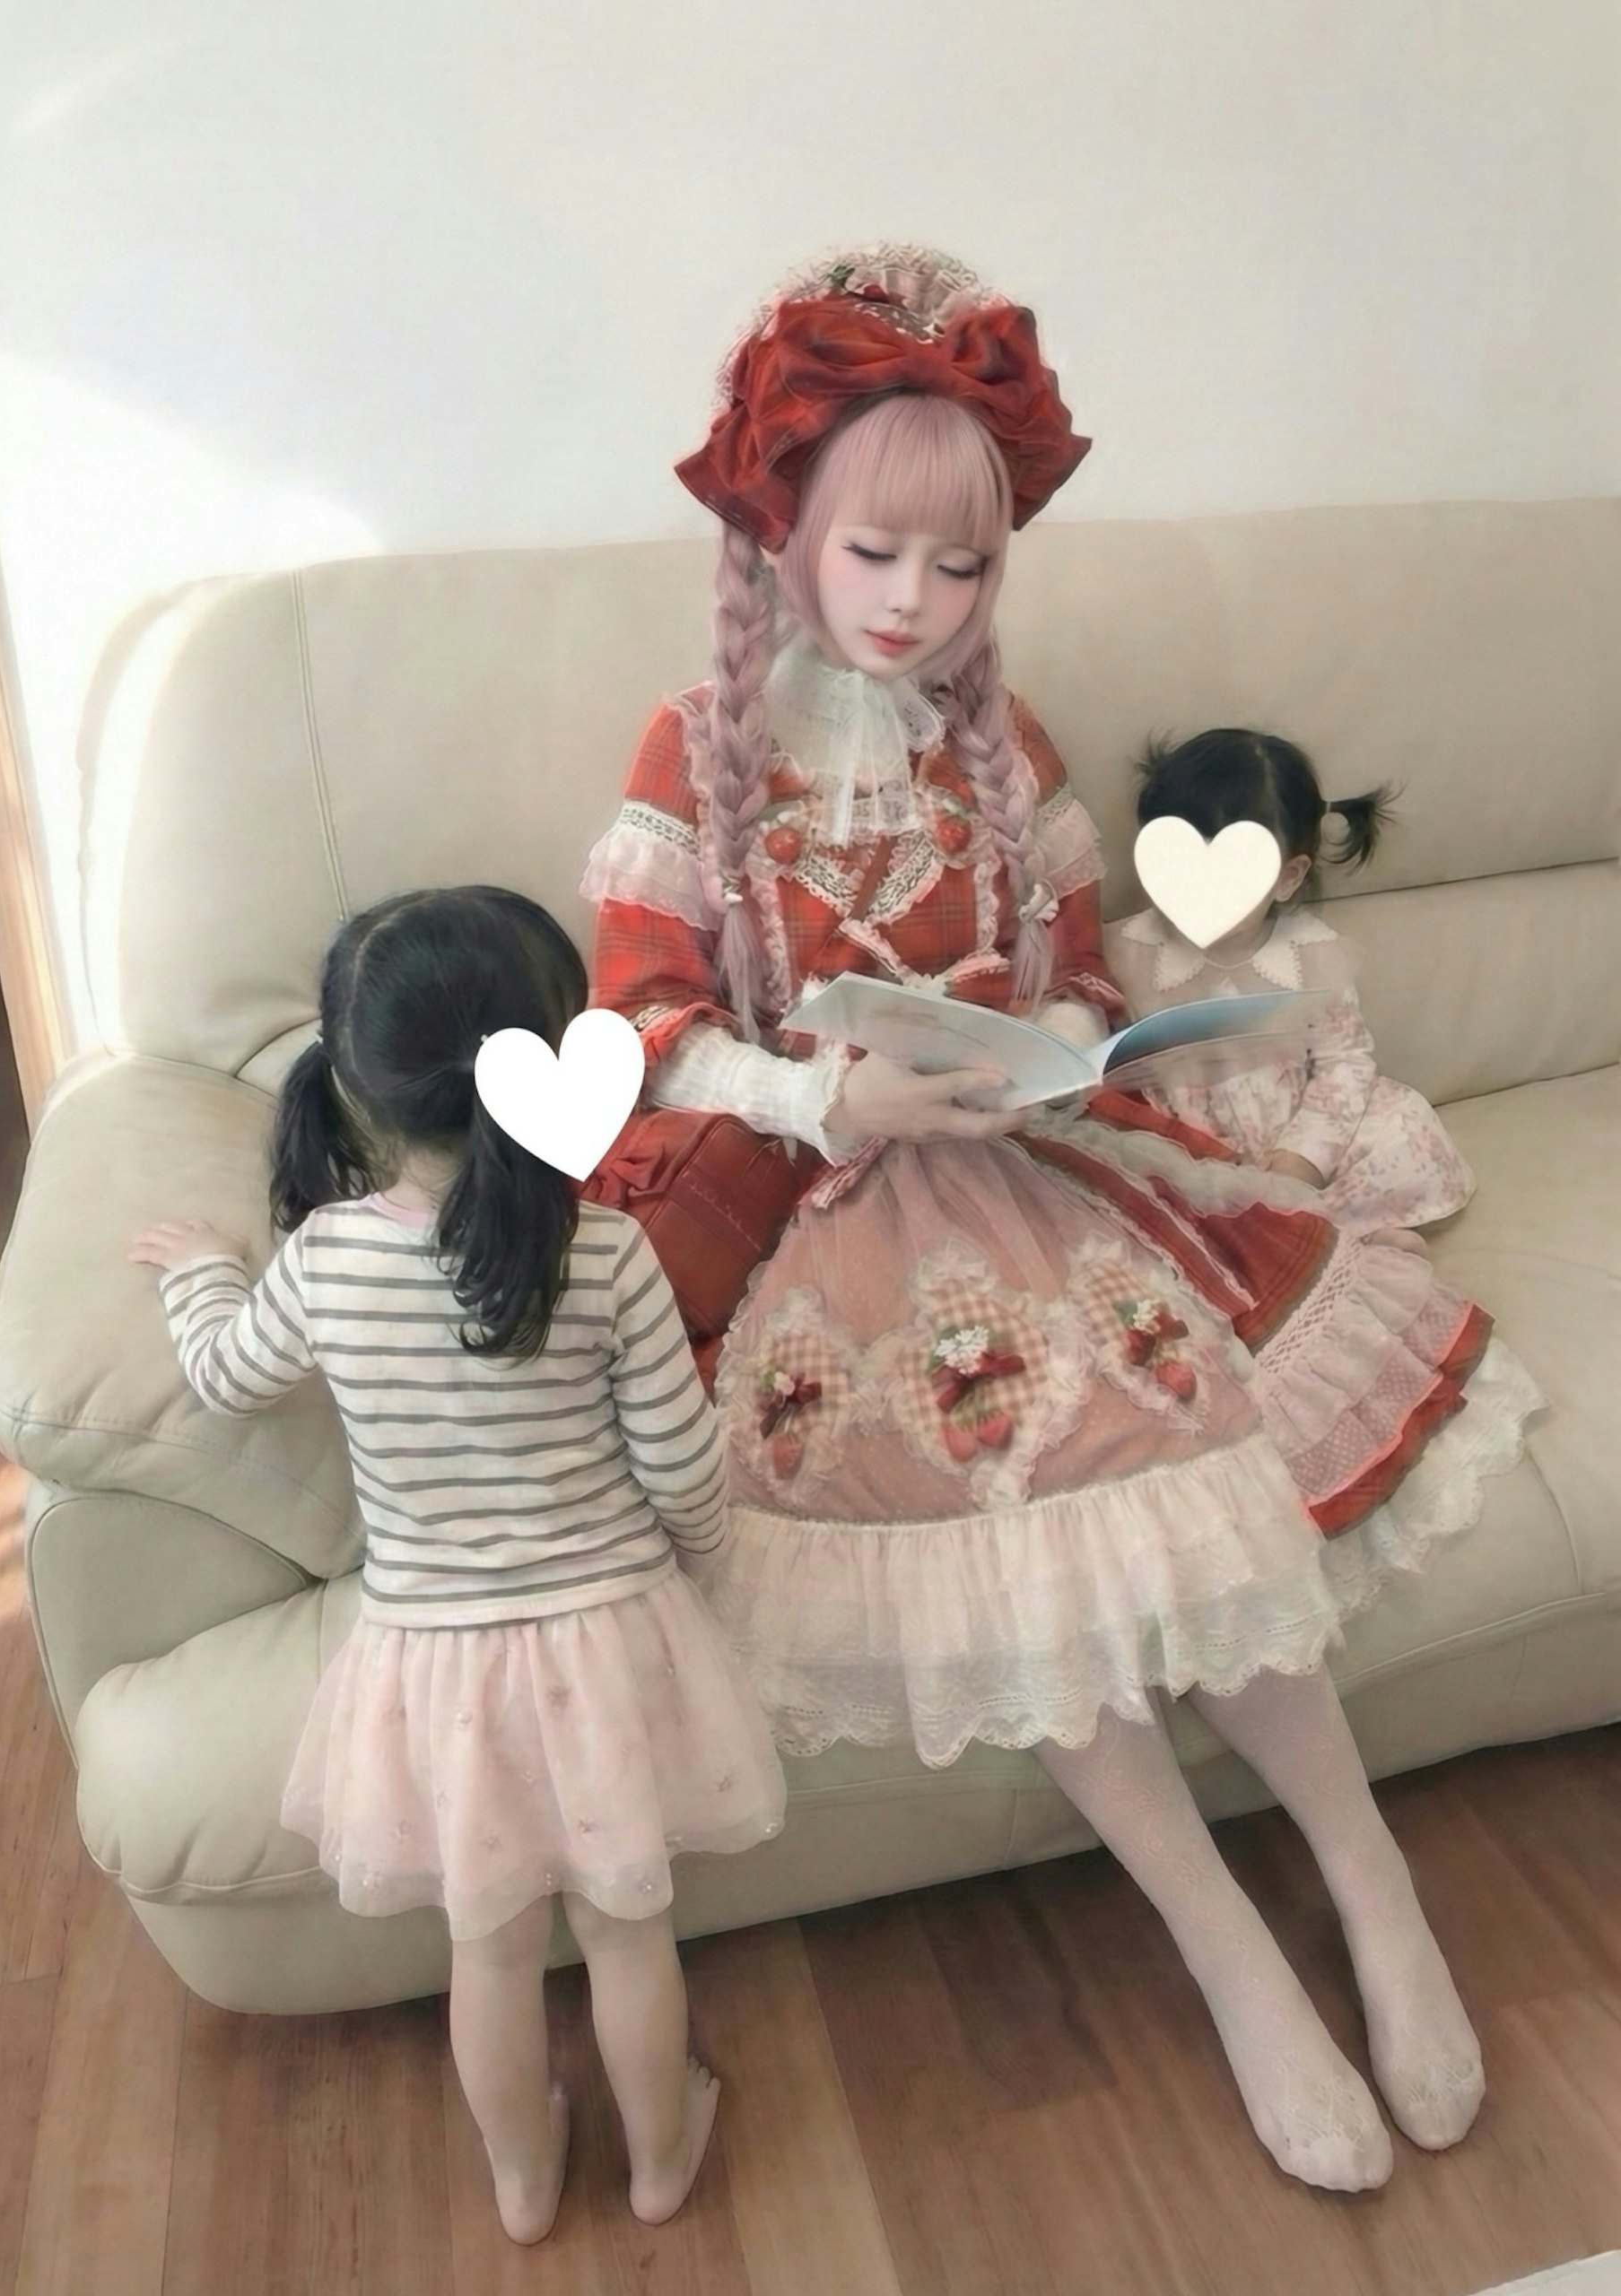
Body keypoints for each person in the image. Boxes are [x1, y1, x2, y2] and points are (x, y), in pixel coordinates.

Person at [583, 246, 1542, 2193]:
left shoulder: (1004, 745)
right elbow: (638, 1029)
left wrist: (1052, 1050)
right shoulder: (692, 752)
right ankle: (1229, 1948)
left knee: (1179, 1443)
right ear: (782, 529)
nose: (915, 604)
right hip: (837, 1209)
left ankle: (1371, 1883)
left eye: (962, 567)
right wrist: (824, 1093)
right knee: (1017, 1495)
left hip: (1041, 1165)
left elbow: (1087, 977)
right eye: (876, 554)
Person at [131, 885, 785, 2242]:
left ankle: (524, 2181)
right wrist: (710, 1567)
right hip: (612, 1636)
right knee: (627, 1931)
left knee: (487, 1952)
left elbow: (224, 1375)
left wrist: (198, 1274)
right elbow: (683, 1469)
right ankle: (662, 2161)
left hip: (437, 1664)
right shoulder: (606, 1253)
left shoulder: (327, 1260)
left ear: (354, 1078)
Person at [1107, 726, 1475, 1244]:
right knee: (1139, 1188)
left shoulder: (1310, 957)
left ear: (1287, 877)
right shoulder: (1127, 949)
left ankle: (1332, 1233)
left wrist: (1302, 1161)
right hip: (1188, 1147)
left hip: (1298, 1134)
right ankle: (1300, 1242)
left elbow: (1344, 1063)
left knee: (1406, 1125)